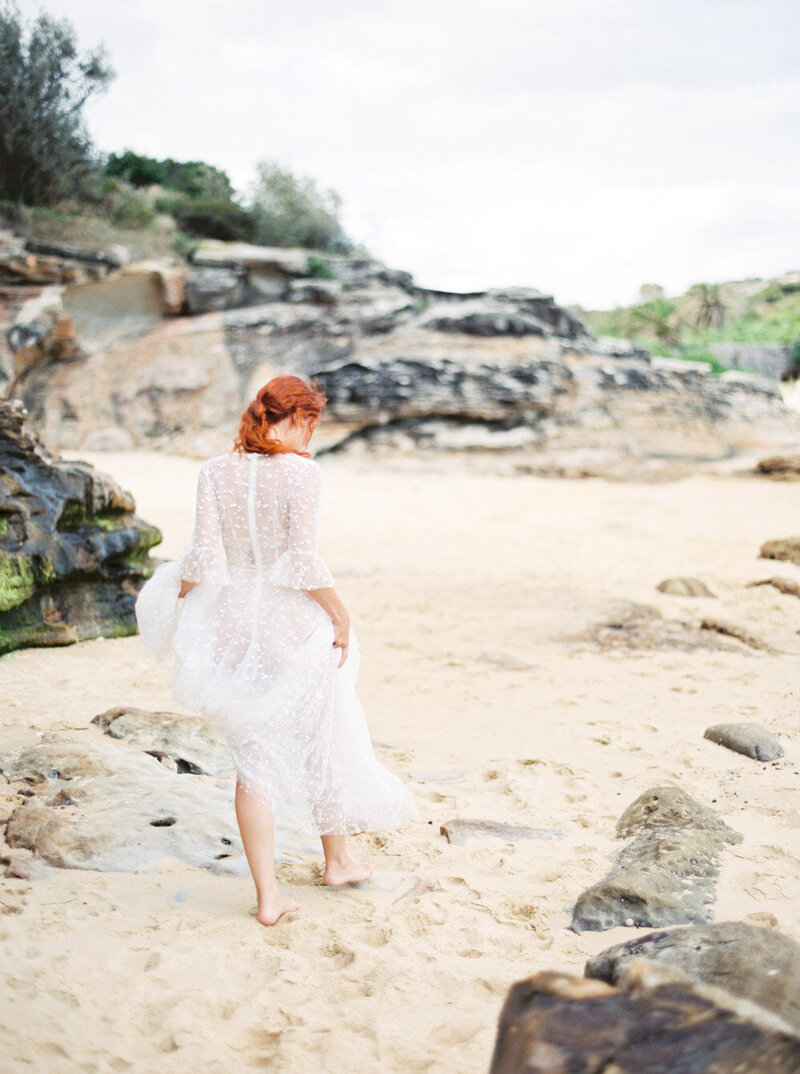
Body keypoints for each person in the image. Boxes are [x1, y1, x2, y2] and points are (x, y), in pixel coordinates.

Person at [135, 375, 417, 925]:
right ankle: (336, 861)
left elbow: (202, 560)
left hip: (234, 623)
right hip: (290, 622)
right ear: (298, 418)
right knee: (320, 736)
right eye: (311, 422)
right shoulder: (302, 474)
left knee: (252, 757)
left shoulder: (213, 471)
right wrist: (340, 613)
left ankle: (270, 896)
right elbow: (304, 562)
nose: (311, 434)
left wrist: (177, 600)